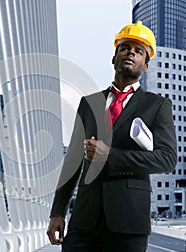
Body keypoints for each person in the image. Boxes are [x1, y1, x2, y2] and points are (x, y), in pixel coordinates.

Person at [47, 21, 177, 251]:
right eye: (125, 48)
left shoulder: (157, 106)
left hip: (129, 221)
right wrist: (58, 211)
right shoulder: (89, 104)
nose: (131, 53)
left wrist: (110, 156)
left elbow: (167, 159)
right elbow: (73, 161)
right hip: (84, 220)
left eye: (139, 51)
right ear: (114, 57)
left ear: (145, 66)